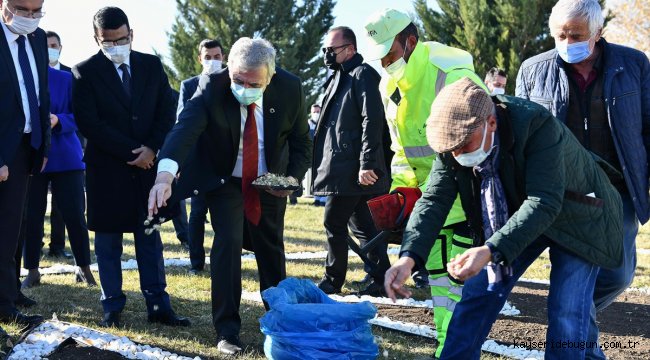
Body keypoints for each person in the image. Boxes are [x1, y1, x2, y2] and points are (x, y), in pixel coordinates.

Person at [385, 77, 624, 359]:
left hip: (578, 213)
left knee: (568, 308)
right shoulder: (452, 141)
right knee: (477, 295)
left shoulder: (537, 125)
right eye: (452, 149)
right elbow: (434, 200)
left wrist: (490, 250)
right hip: (518, 214)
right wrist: (408, 256)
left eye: (464, 145)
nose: (457, 154)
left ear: (492, 123)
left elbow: (544, 201)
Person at [148, 37, 311, 355]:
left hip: (269, 179)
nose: (244, 88)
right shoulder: (211, 86)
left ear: (270, 77)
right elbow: (184, 131)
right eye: (238, 80)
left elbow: (302, 141)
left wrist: (290, 179)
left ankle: (280, 318)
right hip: (226, 179)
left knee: (270, 248)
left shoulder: (290, 88)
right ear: (228, 69)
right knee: (227, 245)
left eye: (254, 83)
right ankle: (227, 330)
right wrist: (165, 175)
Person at [515, 1, 650, 357]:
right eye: (560, 34)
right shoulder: (533, 70)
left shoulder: (633, 64)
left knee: (618, 276)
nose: (567, 41)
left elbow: (647, 127)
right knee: (570, 291)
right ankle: (575, 329)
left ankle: (575, 321)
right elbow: (522, 136)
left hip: (617, 191)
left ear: (598, 33)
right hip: (564, 195)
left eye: (576, 35)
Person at [364, 8, 485, 356]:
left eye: (389, 53)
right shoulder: (391, 85)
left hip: (464, 204)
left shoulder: (451, 75)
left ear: (410, 41)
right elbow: (401, 151)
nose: (385, 62)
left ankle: (453, 352)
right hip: (429, 207)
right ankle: (451, 350)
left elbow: (482, 145)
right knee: (443, 292)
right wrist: (402, 194)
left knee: (457, 295)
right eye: (380, 56)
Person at [72, 6, 189, 329]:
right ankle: (112, 305)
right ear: (97, 39)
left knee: (149, 238)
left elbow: (167, 110)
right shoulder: (84, 71)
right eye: (108, 42)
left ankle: (158, 304)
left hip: (147, 172)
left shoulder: (151, 65)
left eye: (121, 39)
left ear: (131, 34)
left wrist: (151, 148)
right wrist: (131, 152)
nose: (116, 46)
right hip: (107, 172)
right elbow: (89, 123)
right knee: (108, 243)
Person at [313, 26, 390, 297]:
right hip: (344, 166)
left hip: (353, 167)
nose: (328, 54)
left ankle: (332, 280)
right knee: (364, 227)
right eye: (325, 49)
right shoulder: (338, 76)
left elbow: (373, 119)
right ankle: (382, 278)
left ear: (350, 49)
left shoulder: (363, 75)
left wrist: (367, 162)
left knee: (334, 222)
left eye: (332, 50)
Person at [20, 67, 96, 288]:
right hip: (31, 159)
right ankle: (32, 270)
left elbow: (81, 116)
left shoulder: (66, 79)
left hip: (66, 158)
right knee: (31, 216)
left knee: (74, 215)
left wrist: (59, 120)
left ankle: (83, 268)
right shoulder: (18, 76)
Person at [0, 0, 50, 326]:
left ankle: (7, 297)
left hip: (24, 149)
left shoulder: (38, 38)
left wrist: (42, 143)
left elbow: (40, 91)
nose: (29, 18)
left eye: (36, 11)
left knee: (10, 230)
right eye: (22, 9)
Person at [177, 38, 224, 274]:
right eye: (208, 57)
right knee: (197, 214)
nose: (213, 61)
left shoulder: (232, 83)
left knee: (223, 216)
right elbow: (181, 124)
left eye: (216, 57)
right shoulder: (189, 85)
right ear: (200, 59)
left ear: (224, 58)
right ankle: (196, 262)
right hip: (198, 160)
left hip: (225, 161)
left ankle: (222, 260)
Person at [304, 103, 327, 206]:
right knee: (314, 178)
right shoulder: (307, 125)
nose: (316, 114)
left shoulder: (325, 123)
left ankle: (324, 200)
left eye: (318, 112)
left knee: (324, 177)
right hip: (312, 156)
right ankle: (317, 199)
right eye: (314, 112)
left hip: (324, 155)